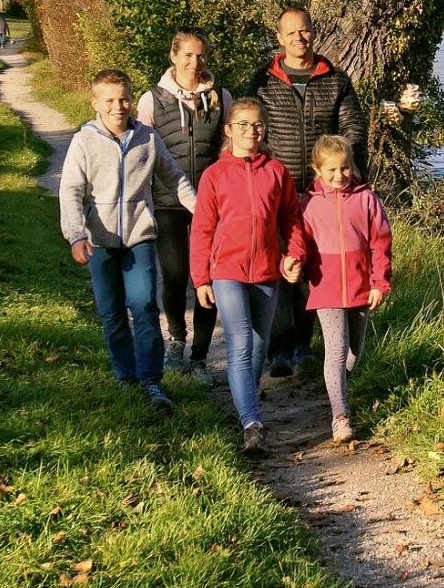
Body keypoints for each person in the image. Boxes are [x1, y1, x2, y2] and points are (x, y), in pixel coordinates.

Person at [58, 68, 196, 408]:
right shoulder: (84, 141)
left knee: (144, 306)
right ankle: (125, 377)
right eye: (109, 100)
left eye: (123, 99)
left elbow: (175, 178)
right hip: (100, 241)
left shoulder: (147, 138)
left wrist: (202, 212)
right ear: (94, 102)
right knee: (112, 312)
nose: (118, 107)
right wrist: (76, 235)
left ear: (132, 99)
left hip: (139, 237)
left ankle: (151, 381)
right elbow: (71, 190)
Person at [248, 6, 366, 379]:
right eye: (291, 32)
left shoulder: (335, 80)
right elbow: (249, 129)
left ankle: (304, 345)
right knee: (282, 267)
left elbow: (354, 129)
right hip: (277, 190)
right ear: (280, 38)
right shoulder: (263, 81)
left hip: (321, 194)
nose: (299, 38)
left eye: (305, 30)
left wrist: (345, 175)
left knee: (315, 268)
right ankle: (279, 350)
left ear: (313, 32)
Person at [191, 98, 305, 453]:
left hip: (266, 271)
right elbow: (202, 229)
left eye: (257, 125)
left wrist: (294, 254)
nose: (251, 131)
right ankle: (252, 423)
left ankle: (246, 404)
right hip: (227, 269)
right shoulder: (214, 175)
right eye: (243, 124)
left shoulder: (276, 172)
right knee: (240, 343)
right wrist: (201, 279)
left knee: (258, 344)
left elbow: (291, 219)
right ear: (228, 129)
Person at [135, 29, 231, 377]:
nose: (195, 62)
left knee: (209, 276)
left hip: (212, 202)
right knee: (175, 274)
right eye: (188, 55)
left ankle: (200, 356)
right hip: (168, 201)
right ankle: (176, 340)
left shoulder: (221, 97)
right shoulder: (152, 100)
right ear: (173, 56)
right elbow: (141, 153)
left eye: (201, 55)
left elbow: (228, 147)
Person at [298, 135, 392, 443]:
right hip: (325, 287)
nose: (339, 175)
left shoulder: (367, 200)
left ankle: (336, 389)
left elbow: (381, 243)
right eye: (331, 170)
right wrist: (295, 262)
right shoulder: (309, 205)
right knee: (336, 350)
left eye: (345, 168)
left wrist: (379, 283)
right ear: (317, 170)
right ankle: (340, 415)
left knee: (354, 352)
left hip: (361, 285)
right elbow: (300, 242)